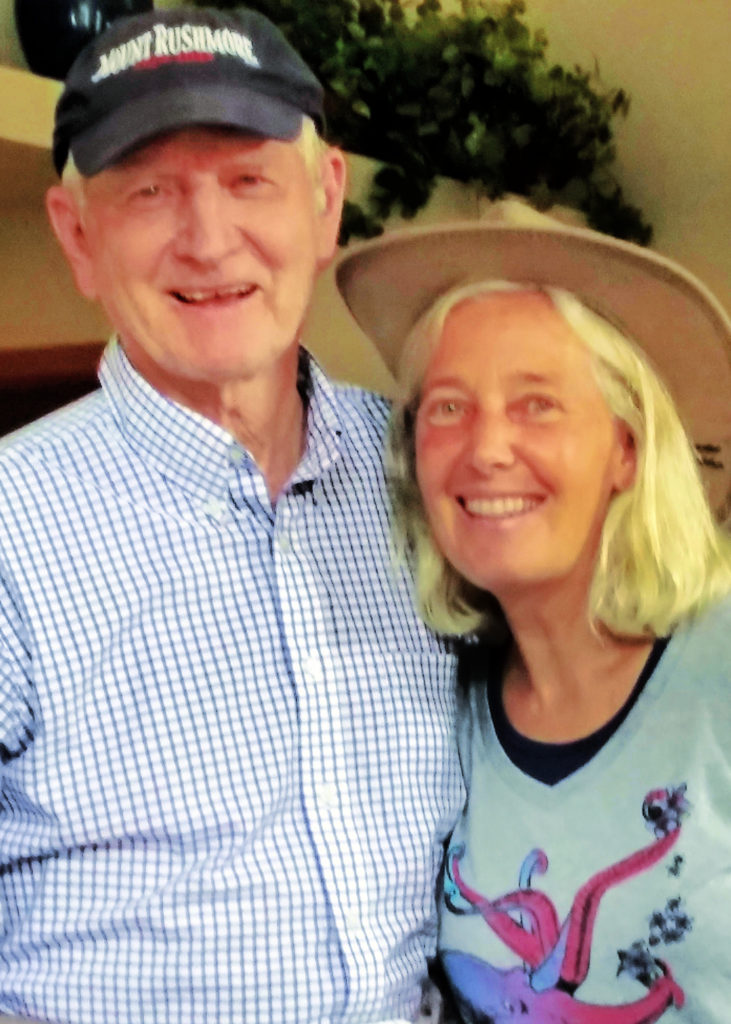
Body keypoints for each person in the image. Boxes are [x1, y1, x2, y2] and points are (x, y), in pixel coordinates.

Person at [0, 7, 465, 1023]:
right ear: (78, 237)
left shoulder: (439, 477)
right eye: (149, 191)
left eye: (248, 180)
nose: (208, 241)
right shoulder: (10, 531)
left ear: (326, 200)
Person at [336, 202, 731, 1023]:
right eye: (447, 406)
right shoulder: (443, 708)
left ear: (626, 447)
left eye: (536, 404)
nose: (485, 449)